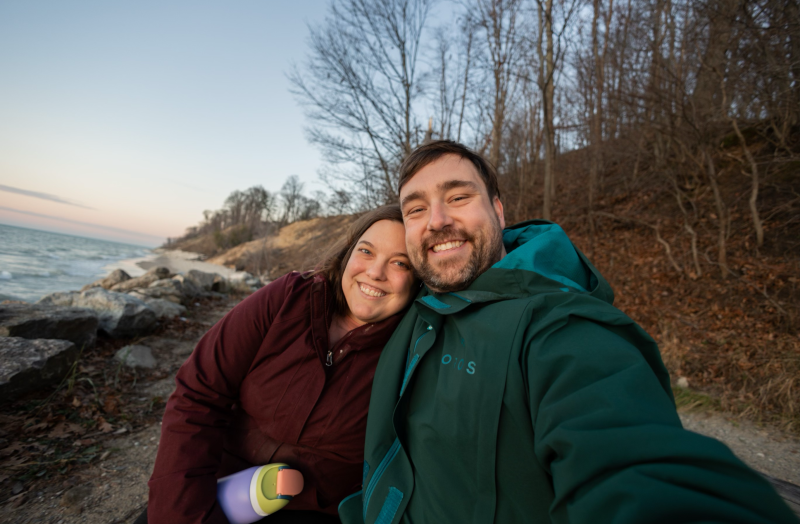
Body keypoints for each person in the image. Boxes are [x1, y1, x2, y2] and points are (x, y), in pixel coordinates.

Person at [339, 141, 798, 524]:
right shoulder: (413, 300)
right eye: (416, 209)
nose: (436, 219)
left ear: (498, 211)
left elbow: (635, 465)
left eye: (458, 197)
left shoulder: (557, 327)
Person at [143, 205, 418, 524]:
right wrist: (183, 513)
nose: (375, 272)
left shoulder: (413, 351)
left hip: (318, 510)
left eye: (400, 262)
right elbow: (199, 393)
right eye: (366, 251)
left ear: (417, 280)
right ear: (347, 253)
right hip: (216, 483)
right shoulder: (289, 297)